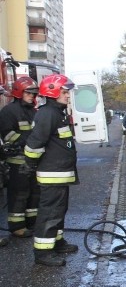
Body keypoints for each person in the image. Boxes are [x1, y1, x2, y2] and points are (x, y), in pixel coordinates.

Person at [24, 74, 79, 266]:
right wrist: (28, 164)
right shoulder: (48, 114)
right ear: (53, 92)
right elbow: (35, 143)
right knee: (49, 212)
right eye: (64, 92)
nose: (68, 96)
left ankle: (56, 242)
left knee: (59, 210)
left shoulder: (58, 113)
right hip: (52, 174)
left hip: (60, 173)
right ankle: (43, 253)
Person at [0, 77, 40, 239]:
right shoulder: (9, 112)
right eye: (29, 93)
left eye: (34, 93)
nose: (32, 96)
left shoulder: (33, 111)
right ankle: (17, 226)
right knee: (19, 194)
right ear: (19, 92)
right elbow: (8, 135)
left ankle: (32, 223)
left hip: (33, 160)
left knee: (34, 193)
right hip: (17, 162)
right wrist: (27, 140)